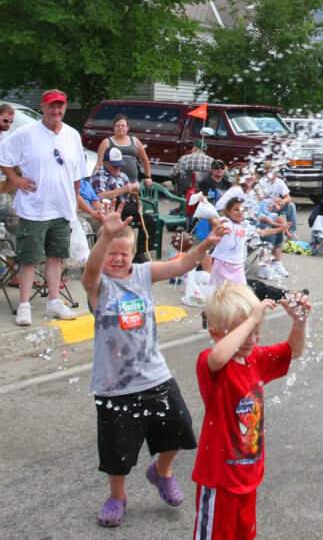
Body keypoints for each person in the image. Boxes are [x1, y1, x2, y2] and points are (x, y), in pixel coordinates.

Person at [84, 201, 230, 528]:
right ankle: (117, 496)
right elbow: (90, 272)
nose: (118, 259)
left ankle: (161, 471)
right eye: (112, 252)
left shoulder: (142, 273)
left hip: (155, 375)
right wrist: (104, 239)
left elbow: (181, 266)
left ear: (133, 252)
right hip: (114, 385)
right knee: (117, 452)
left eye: (124, 252)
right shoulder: (99, 286)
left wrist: (207, 243)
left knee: (180, 428)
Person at [192, 282, 311, 540]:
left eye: (257, 331)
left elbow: (294, 351)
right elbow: (219, 356)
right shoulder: (212, 364)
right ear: (215, 333)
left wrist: (299, 322)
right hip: (219, 480)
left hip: (248, 475)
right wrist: (251, 318)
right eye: (245, 332)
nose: (253, 339)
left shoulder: (253, 359)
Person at [0, 90, 84, 325]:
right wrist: (14, 180)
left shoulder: (72, 135)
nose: (56, 111)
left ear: (65, 108)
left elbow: (77, 174)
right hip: (34, 208)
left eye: (60, 107)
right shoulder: (25, 133)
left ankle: (54, 302)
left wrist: (74, 202)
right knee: (29, 257)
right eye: (51, 107)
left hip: (61, 207)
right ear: (42, 108)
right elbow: (3, 156)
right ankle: (24, 305)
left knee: (56, 257)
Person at [91, 147, 158, 263]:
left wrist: (134, 188)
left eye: (119, 165)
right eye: (115, 166)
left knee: (149, 220)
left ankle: (140, 252)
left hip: (126, 206)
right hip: (111, 209)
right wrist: (122, 190)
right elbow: (100, 196)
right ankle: (111, 254)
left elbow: (130, 193)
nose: (118, 168)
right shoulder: (99, 175)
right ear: (106, 163)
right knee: (122, 217)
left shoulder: (122, 175)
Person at [209, 197, 288, 287]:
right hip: (221, 265)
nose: (240, 212)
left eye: (242, 209)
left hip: (238, 266)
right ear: (228, 212)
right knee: (219, 291)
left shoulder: (245, 225)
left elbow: (262, 232)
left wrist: (281, 229)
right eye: (236, 209)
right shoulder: (225, 223)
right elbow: (211, 218)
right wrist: (204, 201)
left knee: (242, 291)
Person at [94, 113, 153, 186]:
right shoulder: (106, 142)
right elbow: (99, 164)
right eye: (117, 126)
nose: (120, 127)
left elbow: (145, 160)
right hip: (113, 182)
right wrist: (93, 180)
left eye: (123, 126)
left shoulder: (135, 141)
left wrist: (148, 177)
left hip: (133, 182)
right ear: (114, 128)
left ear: (128, 128)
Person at [257, 166, 296, 239]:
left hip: (276, 205)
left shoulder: (280, 182)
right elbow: (259, 200)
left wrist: (283, 201)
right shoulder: (261, 183)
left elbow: (288, 197)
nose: (275, 173)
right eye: (272, 171)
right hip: (265, 208)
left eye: (276, 171)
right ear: (267, 173)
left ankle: (291, 232)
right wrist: (274, 201)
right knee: (273, 218)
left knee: (291, 206)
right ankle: (281, 228)